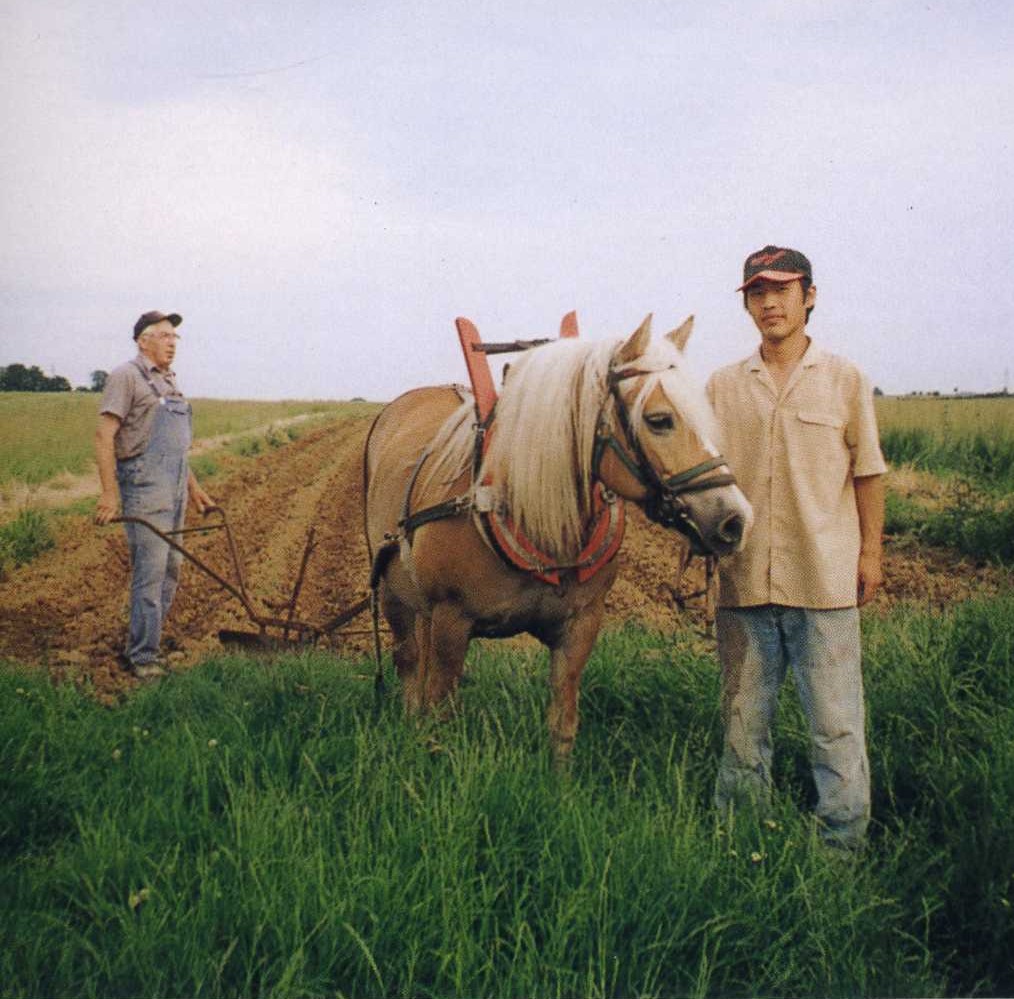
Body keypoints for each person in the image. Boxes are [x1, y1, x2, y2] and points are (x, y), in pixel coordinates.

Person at [706, 245, 886, 849]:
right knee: (742, 728)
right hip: (744, 584)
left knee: (836, 727)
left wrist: (871, 555)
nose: (769, 303)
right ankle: (739, 841)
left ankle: (842, 850)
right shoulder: (722, 386)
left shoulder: (844, 379)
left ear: (809, 297)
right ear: (747, 305)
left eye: (782, 290)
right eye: (757, 292)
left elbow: (869, 473)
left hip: (824, 581)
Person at [94, 311, 214, 679]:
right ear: (142, 340)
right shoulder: (126, 376)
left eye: (175, 337)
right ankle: (143, 656)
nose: (171, 343)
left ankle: (150, 641)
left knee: (171, 569)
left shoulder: (169, 381)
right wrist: (109, 494)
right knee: (150, 571)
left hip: (175, 485)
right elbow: (104, 436)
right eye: (164, 336)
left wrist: (194, 489)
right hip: (145, 486)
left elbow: (175, 448)